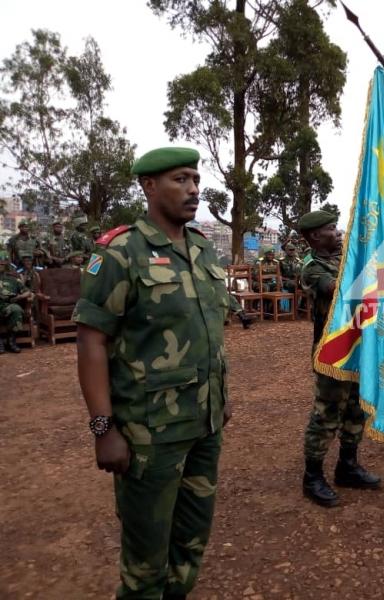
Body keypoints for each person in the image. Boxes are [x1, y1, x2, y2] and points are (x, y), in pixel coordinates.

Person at [74, 146, 234, 598]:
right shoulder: (121, 253)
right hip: (150, 435)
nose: (194, 190)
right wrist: (103, 428)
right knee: (145, 565)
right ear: (148, 186)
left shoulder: (202, 250)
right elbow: (91, 340)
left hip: (204, 426)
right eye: (180, 179)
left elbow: (209, 334)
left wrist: (221, 401)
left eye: (196, 180)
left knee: (190, 545)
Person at [299, 210, 380, 508]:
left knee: (357, 408)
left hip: (359, 346)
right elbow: (337, 290)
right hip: (332, 352)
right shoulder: (312, 266)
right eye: (332, 229)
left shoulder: (344, 257)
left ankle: (348, 465)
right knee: (327, 413)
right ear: (315, 236)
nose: (339, 232)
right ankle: (312, 477)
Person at [0, 250, 33, 354]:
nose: (1, 266)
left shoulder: (12, 279)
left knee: (16, 309)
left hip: (7, 305)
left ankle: (11, 341)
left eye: (3, 264)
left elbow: (28, 292)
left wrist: (19, 297)